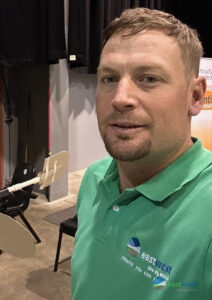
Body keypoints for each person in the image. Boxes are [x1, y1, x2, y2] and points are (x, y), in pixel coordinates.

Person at [71, 7, 212, 300]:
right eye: (109, 78)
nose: (120, 98)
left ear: (195, 96)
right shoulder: (95, 179)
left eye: (148, 78)